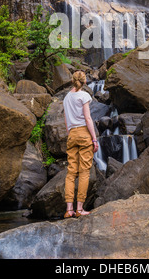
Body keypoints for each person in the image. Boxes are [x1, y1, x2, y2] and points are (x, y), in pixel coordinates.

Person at [63, 70, 99, 218]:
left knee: (71, 173)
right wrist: (94, 139)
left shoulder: (66, 98)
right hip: (84, 133)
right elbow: (88, 118)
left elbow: (66, 121)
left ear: (72, 81)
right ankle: (79, 209)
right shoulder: (84, 96)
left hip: (71, 134)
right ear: (84, 82)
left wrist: (70, 134)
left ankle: (69, 210)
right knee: (84, 172)